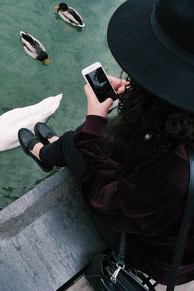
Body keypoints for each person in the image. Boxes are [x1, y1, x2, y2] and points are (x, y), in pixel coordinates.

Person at [18, 0, 194, 288]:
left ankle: (46, 152)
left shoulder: (174, 176)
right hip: (177, 227)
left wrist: (95, 118)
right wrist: (137, 99)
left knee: (79, 142)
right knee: (89, 140)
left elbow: (106, 200)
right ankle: (52, 147)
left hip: (160, 256)